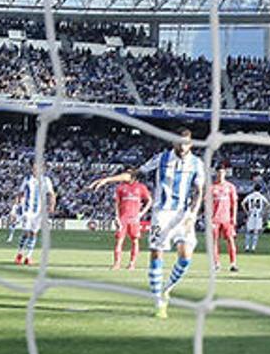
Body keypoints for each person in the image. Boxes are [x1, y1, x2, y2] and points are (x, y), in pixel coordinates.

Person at [88, 128, 205, 319]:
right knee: (156, 253)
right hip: (162, 214)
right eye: (178, 141)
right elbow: (134, 174)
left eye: (186, 142)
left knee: (185, 257)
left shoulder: (197, 164)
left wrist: (193, 214)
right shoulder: (161, 159)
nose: (182, 146)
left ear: (191, 144)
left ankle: (166, 289)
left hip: (183, 215)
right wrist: (108, 179)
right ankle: (159, 301)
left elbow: (199, 191)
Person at [12, 169, 57, 266]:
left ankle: (28, 257)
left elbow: (51, 193)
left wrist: (52, 205)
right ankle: (20, 254)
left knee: (33, 233)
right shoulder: (27, 179)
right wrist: (14, 209)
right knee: (26, 232)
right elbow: (20, 193)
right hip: (27, 211)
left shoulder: (46, 180)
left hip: (39, 212)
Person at [112, 172, 152, 270]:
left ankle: (132, 263)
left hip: (134, 219)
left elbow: (149, 200)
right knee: (119, 240)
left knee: (135, 240)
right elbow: (116, 203)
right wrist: (116, 216)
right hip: (123, 218)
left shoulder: (141, 187)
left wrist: (141, 214)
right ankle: (117, 263)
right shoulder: (120, 188)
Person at [209, 164, 239, 272]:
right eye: (218, 173)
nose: (220, 175)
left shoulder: (230, 187)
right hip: (214, 219)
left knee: (231, 240)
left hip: (227, 219)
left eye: (222, 173)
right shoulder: (211, 187)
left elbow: (234, 203)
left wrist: (234, 216)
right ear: (216, 173)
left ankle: (233, 263)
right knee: (214, 242)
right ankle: (216, 263)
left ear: (225, 173)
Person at [241, 184, 268, 252]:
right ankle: (253, 247)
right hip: (258, 215)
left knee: (248, 231)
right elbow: (268, 204)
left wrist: (246, 211)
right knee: (256, 232)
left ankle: (247, 247)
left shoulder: (250, 196)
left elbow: (242, 203)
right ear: (260, 189)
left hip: (251, 215)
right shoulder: (261, 196)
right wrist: (263, 212)